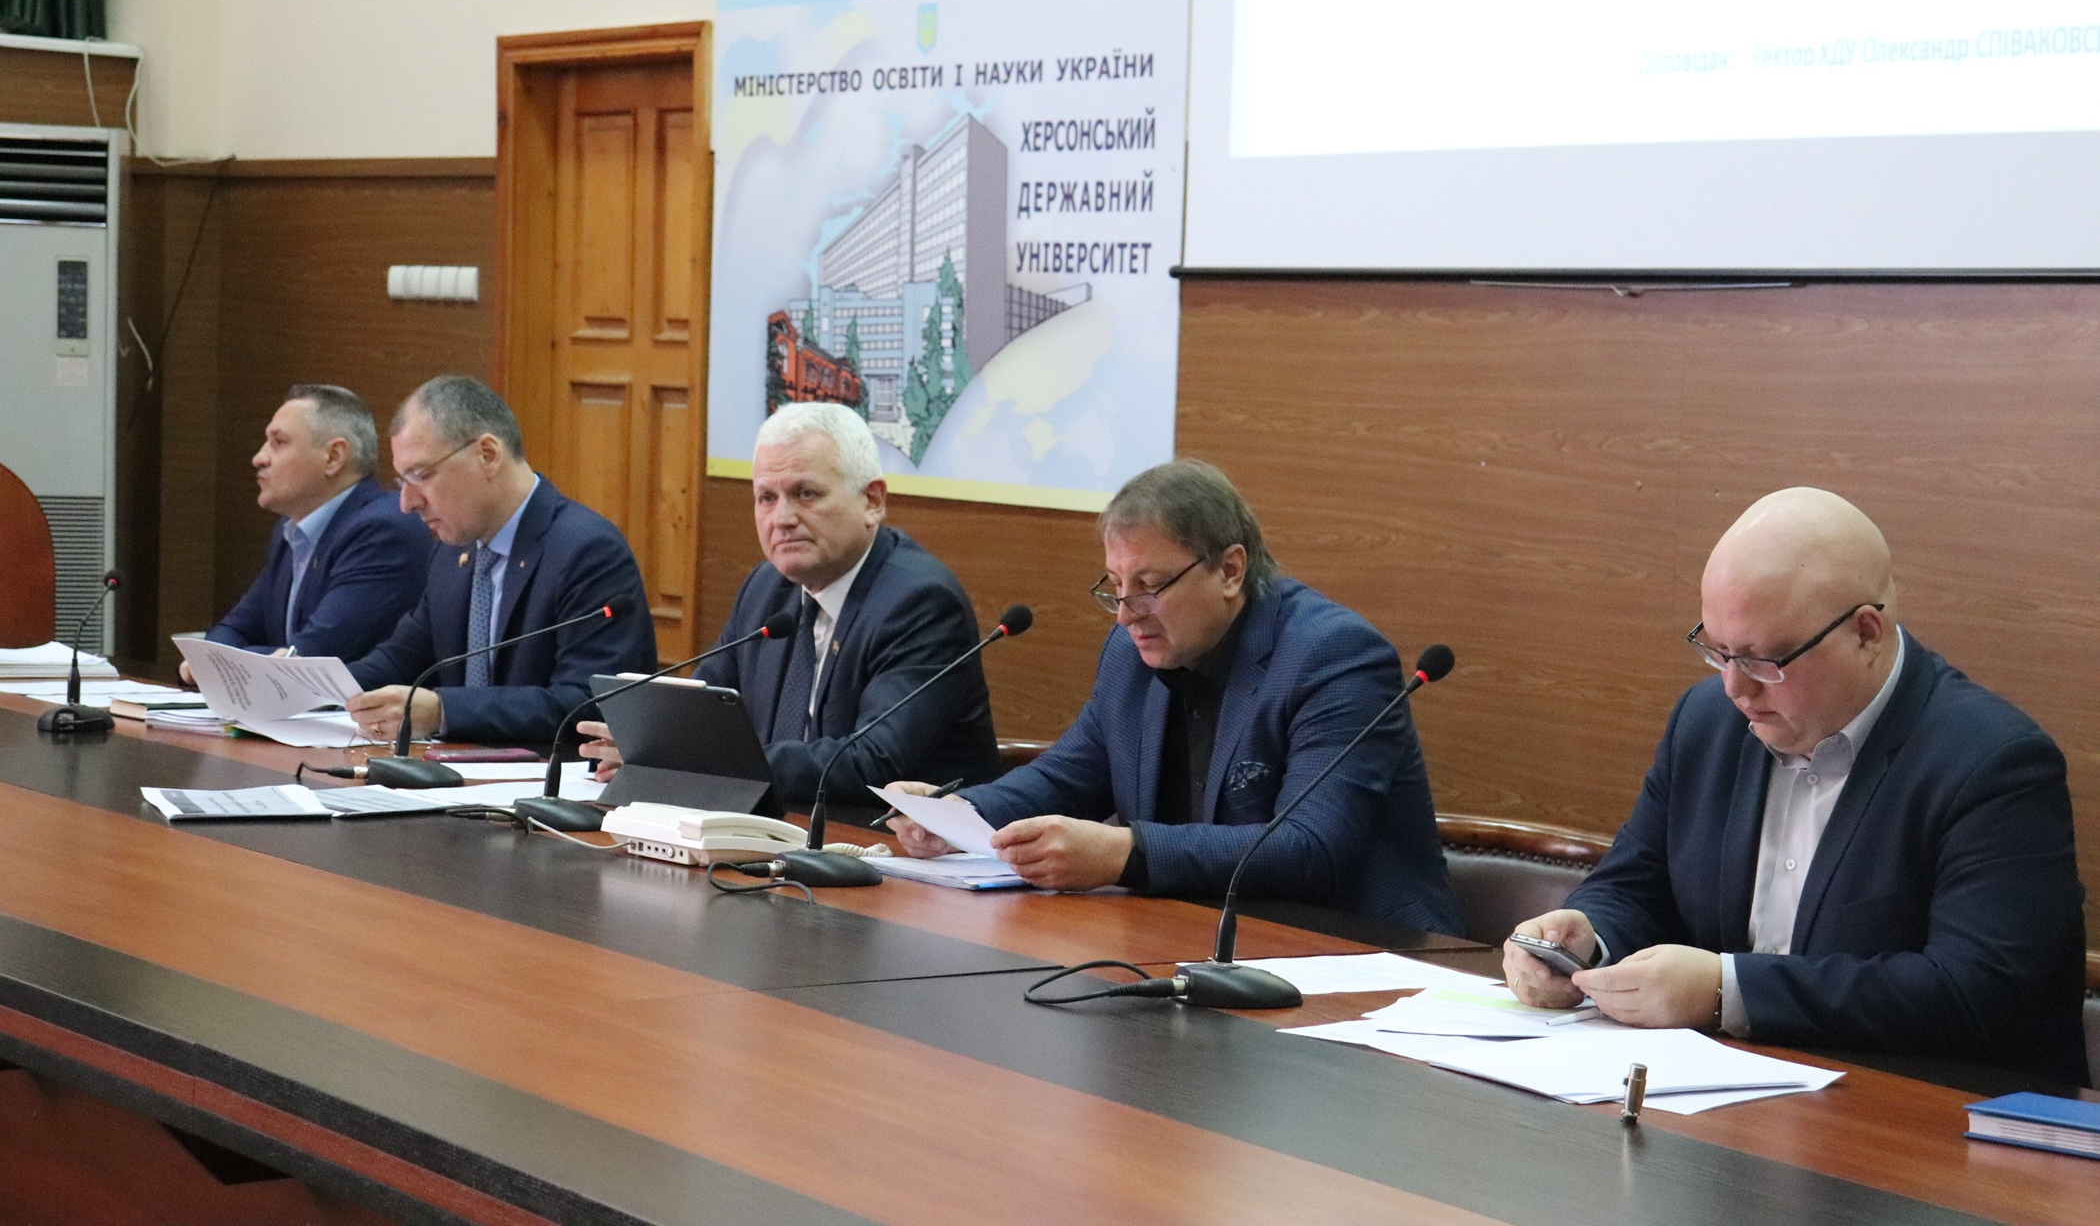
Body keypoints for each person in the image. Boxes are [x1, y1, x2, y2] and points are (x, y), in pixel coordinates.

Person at [1503, 487, 2087, 1085]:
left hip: (1925, 1114)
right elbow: (1638, 884)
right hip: (1723, 1098)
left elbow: (1973, 994)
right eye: (1718, 652)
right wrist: (1585, 937)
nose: (1735, 688)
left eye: (1764, 660)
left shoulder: (1993, 764)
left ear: (1866, 634)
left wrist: (1726, 991)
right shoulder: (1707, 723)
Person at [887, 459, 1463, 934]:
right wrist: (954, 813)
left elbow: (1309, 848)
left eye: (1149, 586)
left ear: (1230, 570)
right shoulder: (1132, 653)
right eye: (1115, 587)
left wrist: (1124, 852)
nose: (1126, 615)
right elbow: (1068, 775)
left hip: (1364, 955)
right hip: (1195, 937)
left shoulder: (1334, 656)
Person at [579, 402, 998, 803]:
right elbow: (701, 712)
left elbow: (872, 762)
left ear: (872, 501)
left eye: (806, 493)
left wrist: (694, 758)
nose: (781, 519)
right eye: (767, 497)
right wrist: (651, 745)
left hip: (886, 839)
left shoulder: (920, 603)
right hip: (774, 826)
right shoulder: (766, 587)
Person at [344, 376, 656, 744]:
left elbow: (590, 703)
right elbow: (399, 658)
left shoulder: (588, 551)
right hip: (461, 769)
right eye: (402, 481)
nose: (407, 503)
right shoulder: (451, 553)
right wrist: (309, 689)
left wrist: (445, 711)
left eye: (421, 476)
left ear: (488, 455)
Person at [193, 384, 433, 669]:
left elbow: (313, 656)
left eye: (279, 442)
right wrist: (212, 657)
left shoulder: (382, 530)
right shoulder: (291, 531)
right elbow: (234, 628)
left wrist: (217, 662)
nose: (259, 458)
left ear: (333, 457)